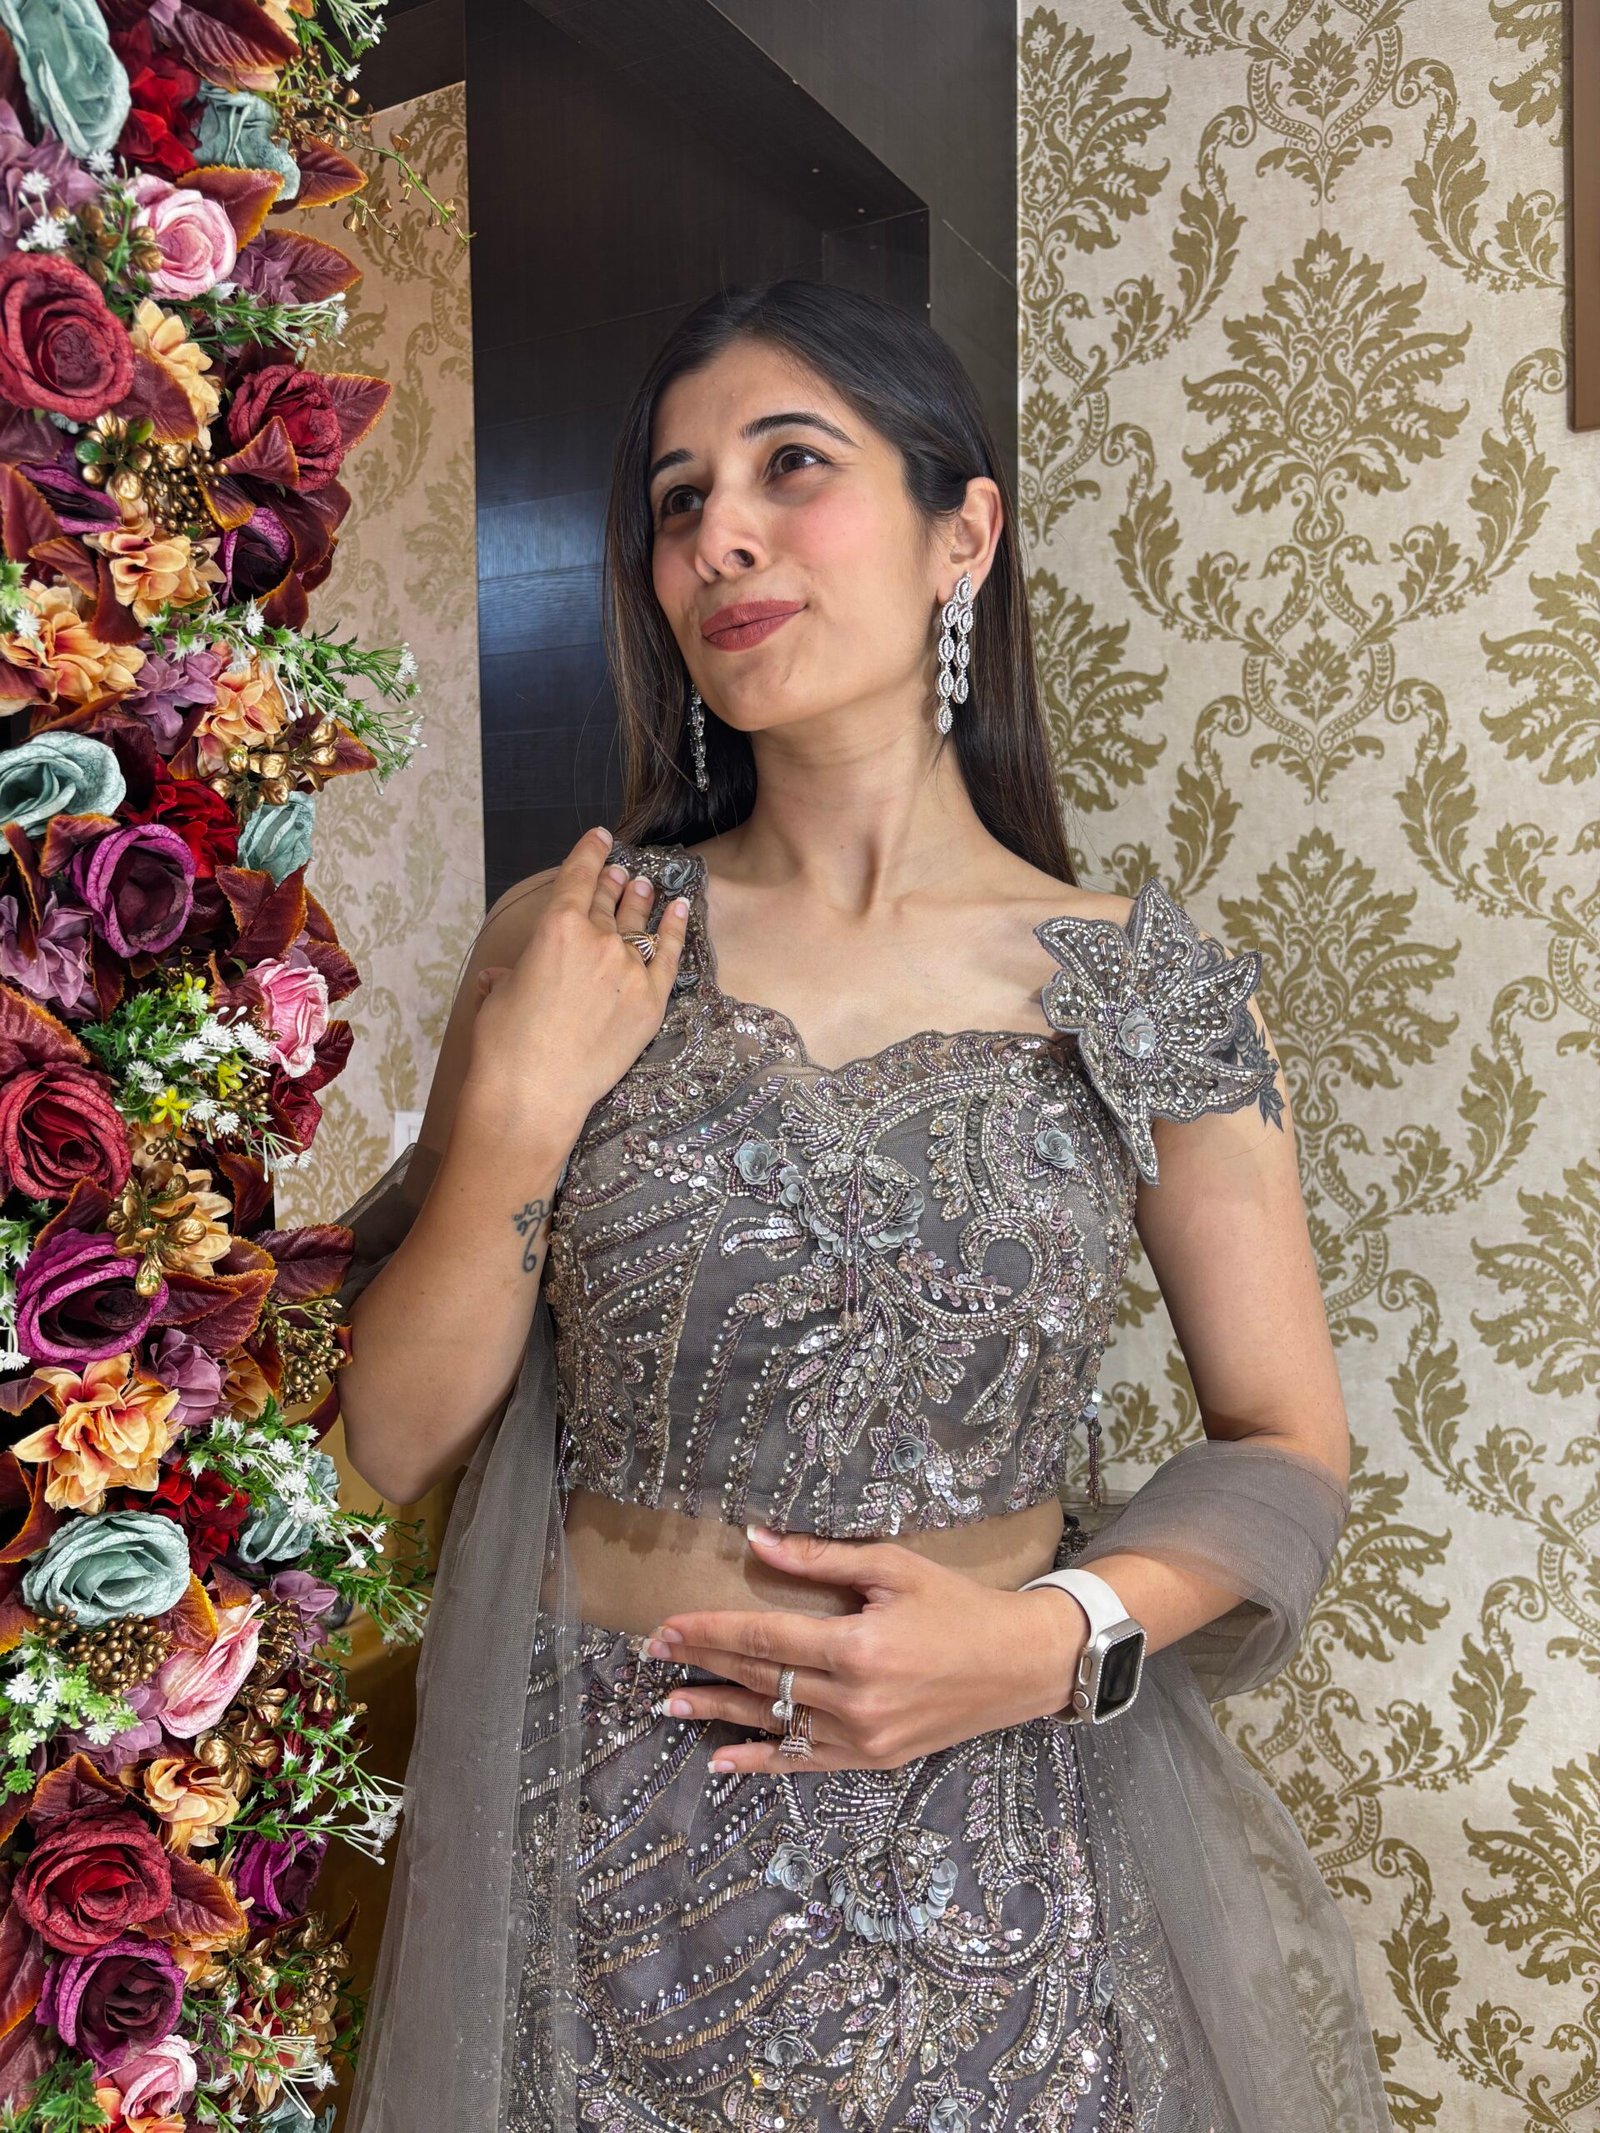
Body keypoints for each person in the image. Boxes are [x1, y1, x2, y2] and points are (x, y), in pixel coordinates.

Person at [332, 280, 1395, 2133]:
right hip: (593, 1864)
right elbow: (390, 1440)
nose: (718, 537)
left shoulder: (1142, 986)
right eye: (678, 499)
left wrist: (1047, 1638)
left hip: (993, 1870)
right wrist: (515, 1115)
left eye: (791, 467)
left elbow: (1287, 1446)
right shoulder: (580, 935)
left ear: (960, 534)